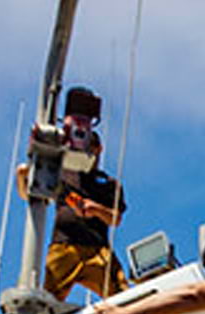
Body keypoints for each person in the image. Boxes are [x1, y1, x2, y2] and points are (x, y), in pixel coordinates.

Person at [17, 86, 127, 301]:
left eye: (92, 145)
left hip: (98, 250)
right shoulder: (61, 173)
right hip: (64, 247)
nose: (88, 149)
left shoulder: (109, 184)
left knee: (123, 296)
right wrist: (22, 176)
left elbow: (115, 219)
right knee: (45, 300)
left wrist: (94, 209)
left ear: (99, 149)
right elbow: (30, 196)